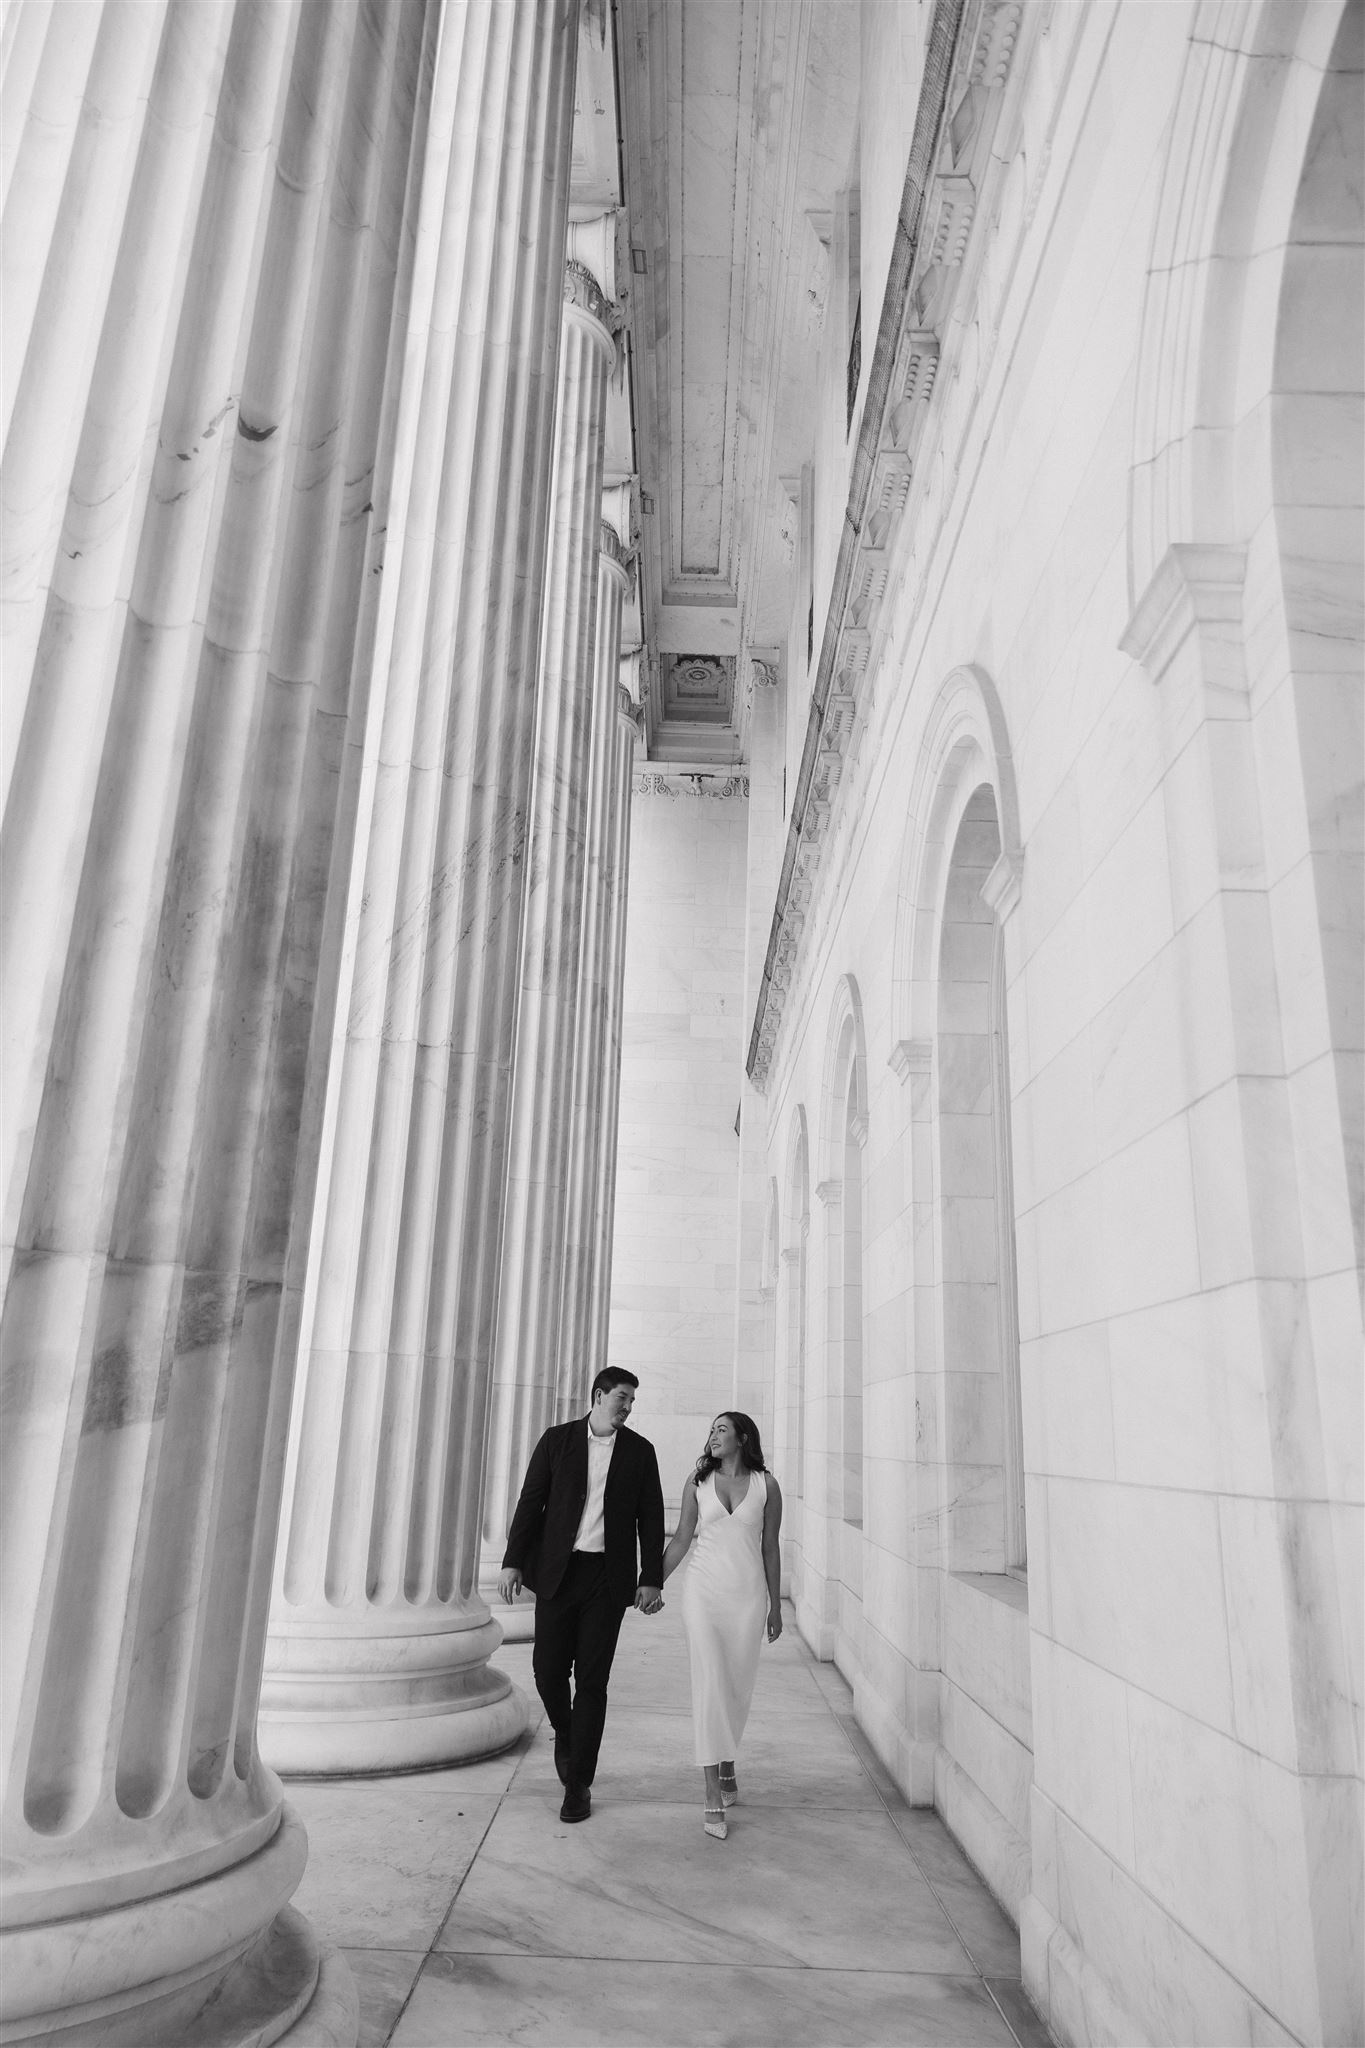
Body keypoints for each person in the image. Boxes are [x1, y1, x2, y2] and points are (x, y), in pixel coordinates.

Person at [499, 1366, 664, 1823]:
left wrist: (651, 1576)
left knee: (592, 1681)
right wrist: (513, 1560)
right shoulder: (557, 1440)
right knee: (547, 1670)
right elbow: (531, 1502)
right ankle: (566, 1733)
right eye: (622, 1398)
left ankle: (578, 1785)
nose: (628, 1407)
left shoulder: (640, 1452)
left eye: (632, 1401)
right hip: (558, 1573)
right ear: (598, 1395)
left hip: (606, 1581)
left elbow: (650, 1518)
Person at [660, 1411, 783, 1839]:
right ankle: (712, 1792)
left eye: (721, 1430)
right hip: (703, 1594)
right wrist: (650, 1582)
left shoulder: (766, 1486)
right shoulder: (698, 1484)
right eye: (711, 1430)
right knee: (710, 1683)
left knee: (735, 1687)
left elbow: (770, 1548)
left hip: (747, 1597)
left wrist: (775, 1606)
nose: (712, 1436)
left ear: (743, 1438)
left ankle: (728, 1761)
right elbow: (680, 1539)